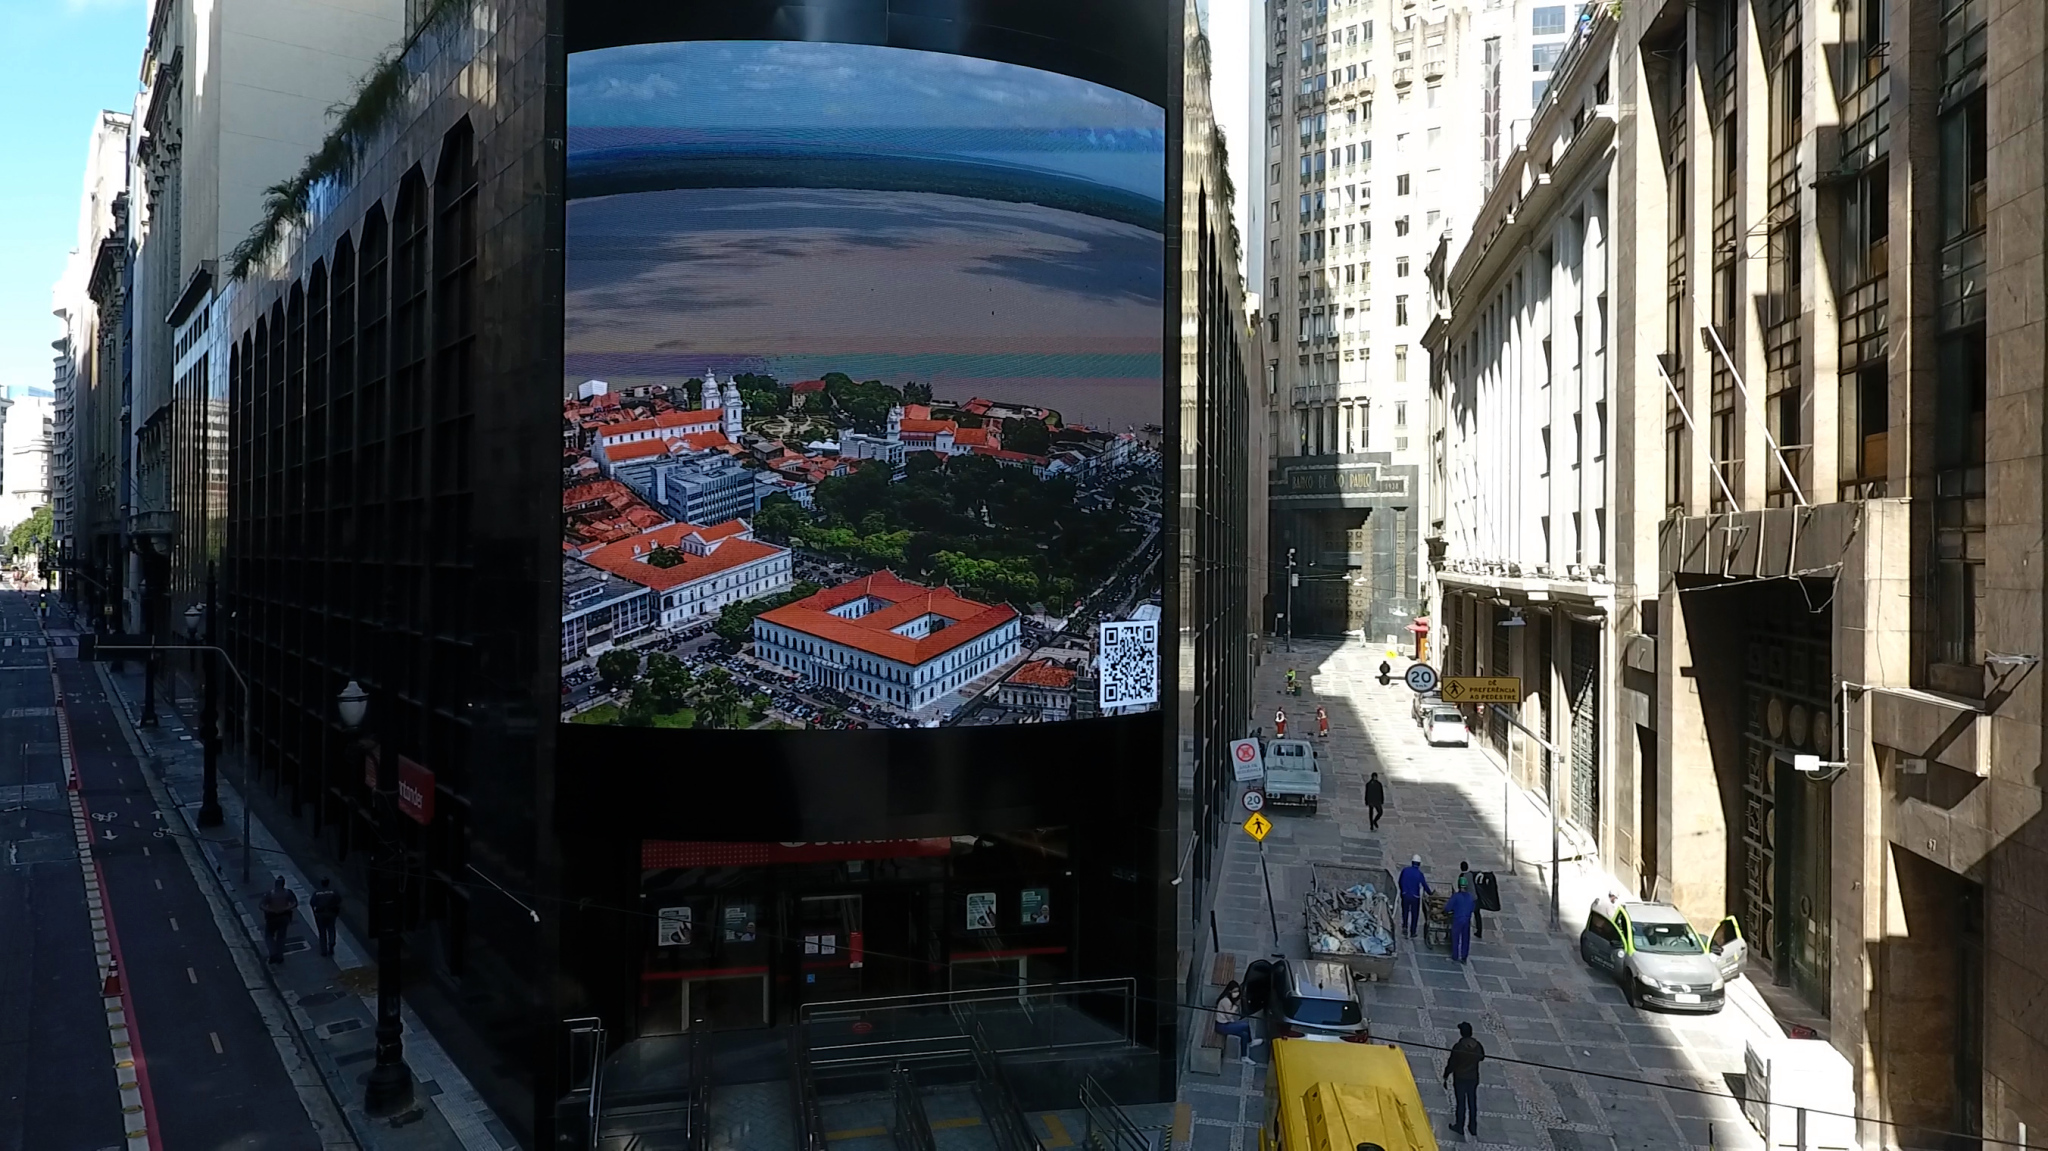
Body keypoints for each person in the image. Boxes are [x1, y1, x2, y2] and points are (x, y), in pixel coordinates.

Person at [1441, 1021, 1486, 1138]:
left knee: (1461, 1103)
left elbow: (1452, 1063)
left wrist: (1446, 1075)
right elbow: (1482, 1057)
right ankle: (1473, 1127)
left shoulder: (1458, 1047)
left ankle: (1459, 1126)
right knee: (1472, 1102)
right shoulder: (1478, 1045)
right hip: (1473, 1078)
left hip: (1460, 1078)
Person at [1213, 980, 1255, 1064]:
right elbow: (1228, 1015)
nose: (1237, 993)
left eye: (1237, 991)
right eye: (1235, 991)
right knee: (1245, 1025)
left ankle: (1244, 1056)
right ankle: (1250, 1042)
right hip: (1222, 1026)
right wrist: (1236, 1006)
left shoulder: (1229, 999)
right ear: (1229, 991)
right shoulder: (1226, 1001)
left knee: (1244, 1034)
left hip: (1226, 1023)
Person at [259, 876, 299, 965]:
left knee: (268, 936)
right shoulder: (288, 892)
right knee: (281, 937)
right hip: (284, 917)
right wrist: (285, 908)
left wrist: (271, 910)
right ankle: (280, 957)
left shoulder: (269, 894)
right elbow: (295, 903)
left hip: (271, 917)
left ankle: (273, 953)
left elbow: (261, 905)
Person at [1398, 854, 1431, 938]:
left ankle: (1405, 926)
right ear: (1419, 864)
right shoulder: (1419, 874)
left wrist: (1402, 891)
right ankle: (1413, 931)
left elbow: (1400, 881)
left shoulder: (1405, 870)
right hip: (1415, 897)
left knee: (1405, 912)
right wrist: (1431, 893)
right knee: (1414, 914)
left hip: (1405, 895)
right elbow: (1424, 885)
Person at [310, 878, 342, 956]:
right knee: (331, 929)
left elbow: (312, 903)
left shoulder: (317, 893)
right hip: (331, 913)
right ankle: (331, 942)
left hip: (320, 914)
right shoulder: (333, 891)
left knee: (322, 932)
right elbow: (339, 900)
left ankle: (323, 950)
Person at [1446, 883, 1477, 963]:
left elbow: (1448, 908)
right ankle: (1464, 957)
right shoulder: (1470, 896)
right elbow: (1473, 908)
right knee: (1465, 938)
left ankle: (1455, 956)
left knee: (1455, 937)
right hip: (1467, 919)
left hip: (1458, 919)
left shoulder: (1456, 896)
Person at [1457, 862, 1484, 940]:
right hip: (1475, 897)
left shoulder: (1462, 877)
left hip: (1468, 900)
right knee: (1477, 915)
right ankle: (1479, 931)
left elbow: (1462, 889)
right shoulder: (1471, 874)